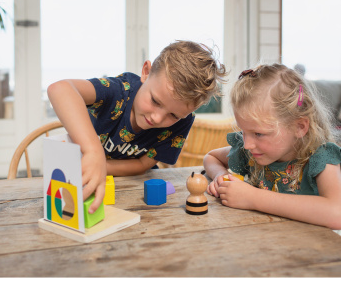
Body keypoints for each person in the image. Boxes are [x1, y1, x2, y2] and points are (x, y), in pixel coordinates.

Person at [48, 40, 227, 213]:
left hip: (135, 188)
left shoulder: (183, 121)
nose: (157, 118)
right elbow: (60, 89)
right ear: (146, 72)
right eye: (155, 101)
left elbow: (142, 164)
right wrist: (93, 152)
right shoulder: (118, 90)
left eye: (173, 115)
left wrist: (101, 165)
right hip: (82, 180)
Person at [203, 63, 341, 230]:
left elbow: (339, 215)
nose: (247, 144)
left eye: (258, 134)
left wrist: (253, 198)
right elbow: (211, 157)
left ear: (299, 127)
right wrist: (221, 177)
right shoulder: (252, 151)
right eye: (243, 132)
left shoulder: (321, 157)